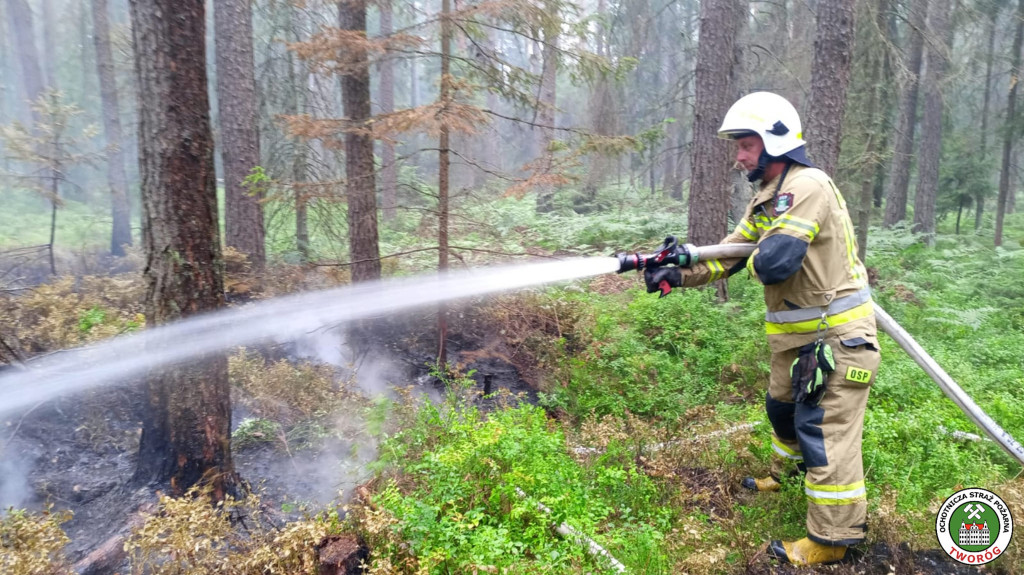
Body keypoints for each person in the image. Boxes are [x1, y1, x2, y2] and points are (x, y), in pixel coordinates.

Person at [644, 92, 880, 566]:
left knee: (824, 431)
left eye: (746, 145)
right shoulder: (767, 201)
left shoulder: (809, 185)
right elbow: (730, 253)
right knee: (782, 409)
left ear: (775, 141)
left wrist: (747, 257)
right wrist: (677, 272)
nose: (739, 156)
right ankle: (788, 477)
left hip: (837, 341)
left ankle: (833, 540)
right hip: (798, 343)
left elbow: (773, 262)